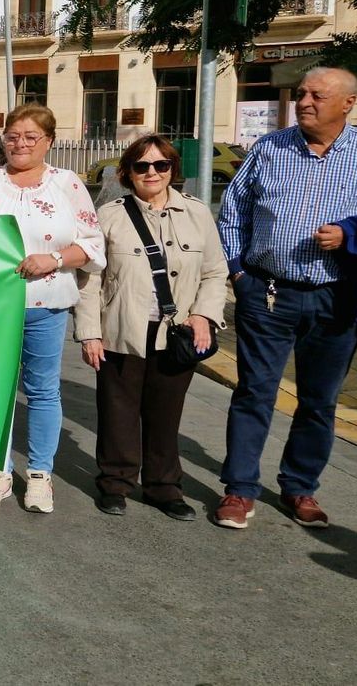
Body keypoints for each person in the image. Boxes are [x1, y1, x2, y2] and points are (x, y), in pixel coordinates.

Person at [213, 66, 357, 529]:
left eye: (317, 95)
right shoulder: (270, 148)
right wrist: (239, 273)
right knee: (254, 392)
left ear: (347, 103)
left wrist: (351, 233)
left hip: (338, 299)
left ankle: (300, 487)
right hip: (268, 293)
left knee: (319, 400)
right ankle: (239, 489)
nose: (304, 102)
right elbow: (232, 215)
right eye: (301, 93)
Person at [0, 104, 105, 513]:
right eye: (12, 137)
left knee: (42, 390)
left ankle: (40, 474)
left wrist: (54, 259)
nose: (20, 144)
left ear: (49, 141)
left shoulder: (66, 183)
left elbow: (92, 245)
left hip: (46, 304)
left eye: (30, 137)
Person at [74, 135, 227, 520]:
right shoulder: (109, 216)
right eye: (142, 166)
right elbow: (90, 278)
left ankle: (164, 486)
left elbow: (214, 272)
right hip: (121, 328)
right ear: (128, 173)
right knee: (117, 413)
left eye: (161, 165)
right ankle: (115, 483)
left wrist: (204, 315)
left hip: (175, 334)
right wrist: (89, 332)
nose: (152, 173)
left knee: (165, 415)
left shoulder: (196, 213)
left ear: (172, 169)